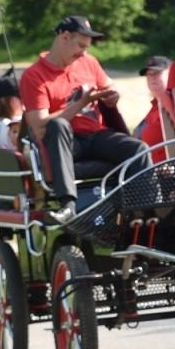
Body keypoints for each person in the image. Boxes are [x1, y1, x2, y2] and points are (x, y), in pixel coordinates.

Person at [19, 14, 141, 223]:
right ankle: (68, 205)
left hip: (95, 135)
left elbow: (108, 85)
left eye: (87, 47)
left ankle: (143, 209)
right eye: (81, 46)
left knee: (137, 149)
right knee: (58, 125)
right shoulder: (34, 75)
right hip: (66, 143)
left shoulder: (88, 62)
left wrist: (112, 96)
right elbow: (39, 126)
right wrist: (81, 103)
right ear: (64, 37)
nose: (84, 52)